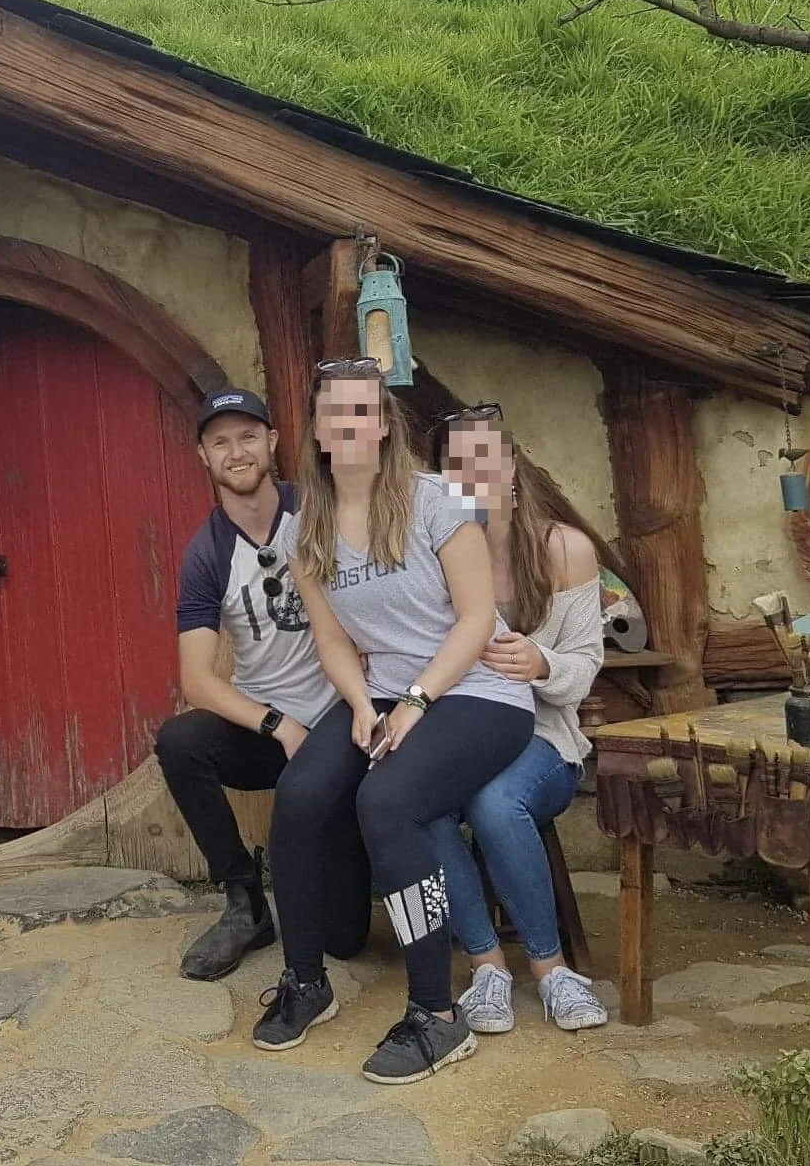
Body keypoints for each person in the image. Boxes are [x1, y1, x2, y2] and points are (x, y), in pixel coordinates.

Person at [256, 360, 534, 1084]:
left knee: (387, 803)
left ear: (382, 425)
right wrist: (357, 703)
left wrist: (415, 701)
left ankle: (438, 1014)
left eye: (361, 412)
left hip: (477, 691)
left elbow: (476, 620)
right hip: (378, 692)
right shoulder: (307, 529)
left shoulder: (436, 501)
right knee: (301, 795)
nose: (346, 425)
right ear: (316, 430)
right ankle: (305, 980)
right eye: (332, 413)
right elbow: (332, 640)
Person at [156, 387, 372, 981]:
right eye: (220, 441)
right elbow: (197, 680)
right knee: (181, 741)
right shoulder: (207, 554)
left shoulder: (318, 513)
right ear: (203, 457)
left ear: (273, 443)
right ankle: (244, 901)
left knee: (344, 940)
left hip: (339, 718)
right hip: (269, 729)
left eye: (248, 436)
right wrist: (277, 725)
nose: (237, 452)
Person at [424, 405, 608, 1032]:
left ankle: (553, 973)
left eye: (485, 458)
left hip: (545, 738)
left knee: (496, 801)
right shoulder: (436, 557)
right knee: (418, 802)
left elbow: (586, 665)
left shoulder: (566, 550)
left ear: (510, 467)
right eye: (456, 466)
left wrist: (541, 662)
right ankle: (486, 967)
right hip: (459, 731)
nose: (473, 475)